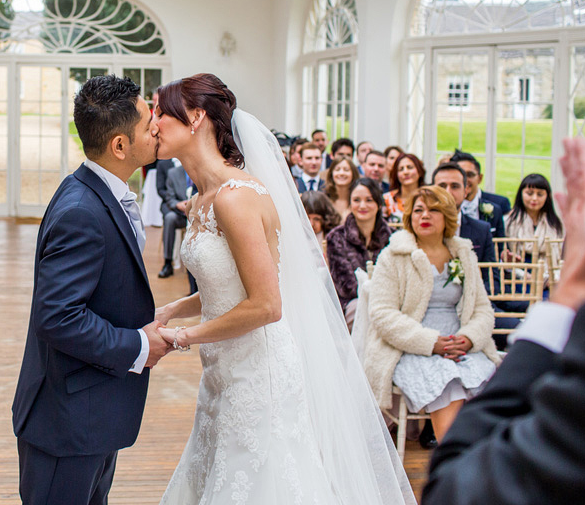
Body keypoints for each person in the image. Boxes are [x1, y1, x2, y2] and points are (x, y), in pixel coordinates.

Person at [152, 73, 413, 504]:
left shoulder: (236, 197)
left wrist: (182, 337)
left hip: (259, 371)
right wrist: (173, 310)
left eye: (161, 112)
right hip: (222, 369)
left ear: (196, 117)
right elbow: (228, 285)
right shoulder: (202, 199)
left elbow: (267, 304)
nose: (153, 123)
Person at [422, 138, 585, 505]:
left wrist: (566, 297)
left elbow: (455, 489)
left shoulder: (474, 237)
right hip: (429, 336)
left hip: (471, 330)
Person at [12, 74, 170, 505]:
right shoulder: (81, 211)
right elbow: (57, 317)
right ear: (120, 146)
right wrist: (138, 344)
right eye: (147, 122)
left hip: (93, 410)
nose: (156, 126)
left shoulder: (92, 189)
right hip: (66, 424)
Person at [363, 186, 500, 441]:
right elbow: (382, 314)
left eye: (434, 210)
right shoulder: (393, 256)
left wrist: (468, 339)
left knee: (493, 380)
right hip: (409, 347)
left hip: (460, 344)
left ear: (448, 216)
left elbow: (482, 308)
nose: (425, 215)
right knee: (448, 380)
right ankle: (451, 462)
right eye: (418, 210)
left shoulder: (463, 254)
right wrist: (431, 343)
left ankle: (469, 464)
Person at [326, 178, 394, 329]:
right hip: (352, 303)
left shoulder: (393, 237)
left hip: (389, 301)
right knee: (362, 310)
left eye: (369, 200)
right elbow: (346, 287)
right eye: (357, 200)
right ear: (350, 204)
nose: (362, 205)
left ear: (378, 204)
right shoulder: (336, 237)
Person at [503, 173, 564, 267]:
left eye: (540, 194)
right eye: (529, 194)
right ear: (521, 194)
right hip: (517, 275)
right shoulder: (508, 222)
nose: (534, 198)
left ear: (547, 196)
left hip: (548, 275)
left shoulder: (555, 224)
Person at [450, 151, 511, 230]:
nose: (465, 180)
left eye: (469, 175)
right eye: (460, 175)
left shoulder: (499, 204)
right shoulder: (442, 206)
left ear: (480, 178)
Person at [157, 160, 190, 279]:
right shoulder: (172, 172)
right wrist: (178, 205)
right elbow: (167, 195)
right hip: (178, 211)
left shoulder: (198, 167)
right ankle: (167, 262)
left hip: (197, 211)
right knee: (169, 218)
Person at [384, 152, 425, 222]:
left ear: (420, 171)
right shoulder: (387, 199)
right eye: (401, 169)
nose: (405, 172)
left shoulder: (429, 198)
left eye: (410, 167)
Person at [324, 155, 361, 221]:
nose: (341, 173)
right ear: (331, 174)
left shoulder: (360, 201)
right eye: (337, 170)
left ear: (353, 174)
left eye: (346, 170)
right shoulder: (324, 200)